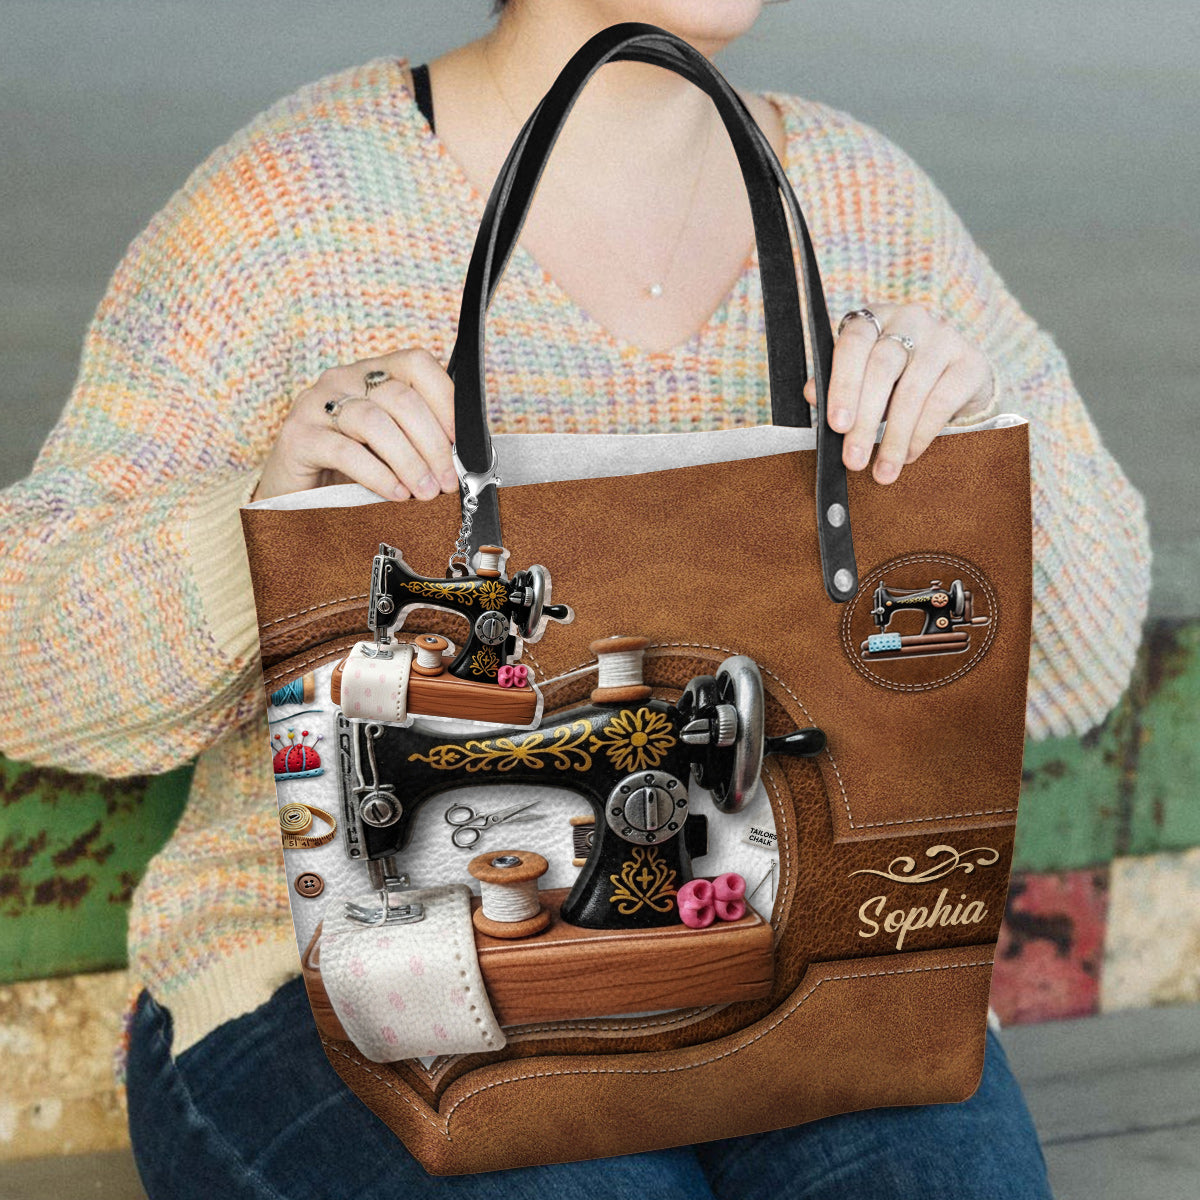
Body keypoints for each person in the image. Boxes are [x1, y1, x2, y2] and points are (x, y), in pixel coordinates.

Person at [0, 0, 1151, 1196]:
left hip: (812, 967)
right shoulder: (293, 208)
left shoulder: (867, 206)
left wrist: (980, 451)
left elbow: (1080, 663)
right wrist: (259, 511)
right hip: (322, 979)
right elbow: (22, 662)